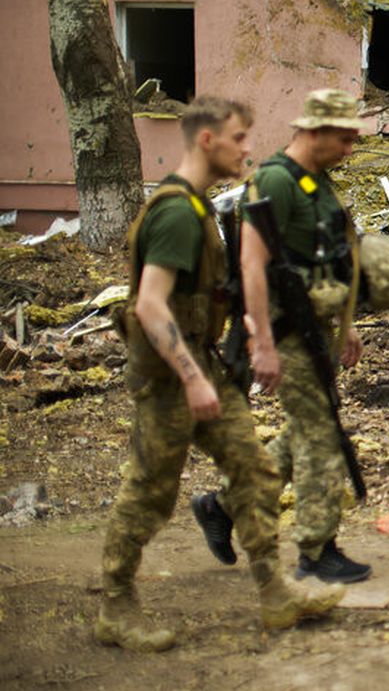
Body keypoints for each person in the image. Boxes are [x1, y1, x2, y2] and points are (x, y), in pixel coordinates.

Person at [99, 97, 343, 653]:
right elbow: (150, 306)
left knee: (253, 470)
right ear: (207, 140)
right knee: (149, 492)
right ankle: (115, 605)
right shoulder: (177, 215)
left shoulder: (199, 206)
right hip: (169, 377)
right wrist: (190, 378)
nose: (248, 148)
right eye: (238, 138)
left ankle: (275, 591)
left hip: (203, 364)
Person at [192, 89, 371, 584]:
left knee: (304, 432)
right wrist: (262, 344)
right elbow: (252, 264)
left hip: (317, 329)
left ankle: (223, 506)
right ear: (313, 131)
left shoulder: (319, 184)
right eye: (343, 138)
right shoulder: (274, 180)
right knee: (319, 435)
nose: (349, 149)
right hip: (284, 332)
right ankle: (316, 549)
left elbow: (333, 258)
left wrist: (347, 325)